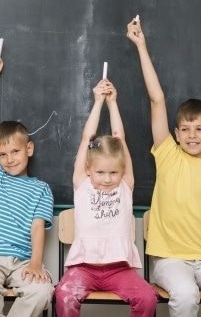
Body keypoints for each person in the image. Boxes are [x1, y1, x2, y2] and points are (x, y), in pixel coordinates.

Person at [127, 16, 201, 317]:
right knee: (184, 294)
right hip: (170, 260)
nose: (192, 135)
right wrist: (141, 46)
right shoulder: (169, 156)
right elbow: (157, 100)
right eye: (185, 129)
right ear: (176, 134)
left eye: (199, 129)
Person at [54, 79, 158, 317]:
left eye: (113, 172)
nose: (108, 179)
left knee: (147, 298)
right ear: (88, 168)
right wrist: (98, 101)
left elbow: (119, 138)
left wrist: (113, 103)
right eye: (100, 172)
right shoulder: (82, 185)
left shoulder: (125, 186)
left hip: (119, 270)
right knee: (64, 294)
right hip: (84, 269)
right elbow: (86, 138)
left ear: (122, 172)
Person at [0, 57, 55, 317]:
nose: (9, 159)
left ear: (29, 149)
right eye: (3, 154)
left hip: (23, 261)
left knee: (41, 292)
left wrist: (37, 263)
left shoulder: (41, 189)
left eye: (15, 151)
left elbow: (38, 228)